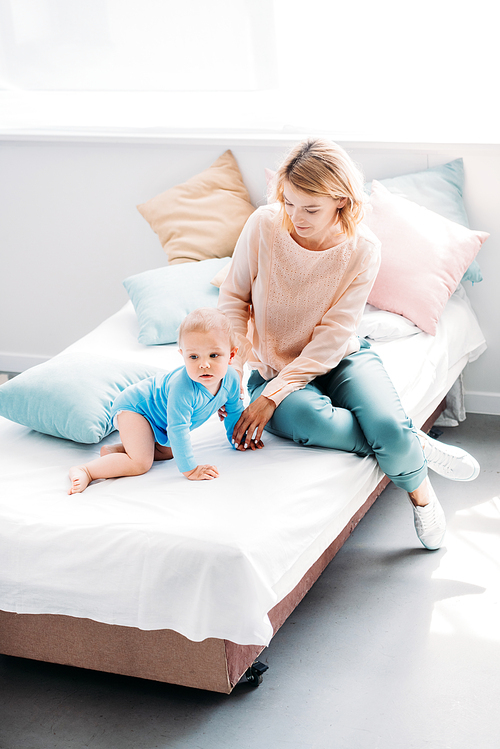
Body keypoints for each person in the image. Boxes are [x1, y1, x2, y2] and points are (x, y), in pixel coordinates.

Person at [218, 138, 479, 550]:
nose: (294, 217)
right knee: (312, 421)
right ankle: (411, 445)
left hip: (341, 359)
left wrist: (273, 397)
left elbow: (333, 336)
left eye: (310, 208)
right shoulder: (264, 225)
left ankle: (422, 496)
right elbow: (234, 299)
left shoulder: (362, 248)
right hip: (274, 368)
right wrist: (233, 370)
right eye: (288, 202)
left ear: (340, 200)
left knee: (389, 428)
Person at [68, 308, 261, 494]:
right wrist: (190, 469)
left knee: (169, 451)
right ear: (182, 355)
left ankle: (116, 451)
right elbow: (178, 429)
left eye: (213, 355)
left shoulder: (232, 380)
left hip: (161, 422)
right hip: (136, 410)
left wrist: (239, 440)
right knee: (141, 463)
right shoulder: (183, 388)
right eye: (193, 356)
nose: (204, 364)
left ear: (232, 355)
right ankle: (87, 471)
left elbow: (234, 412)